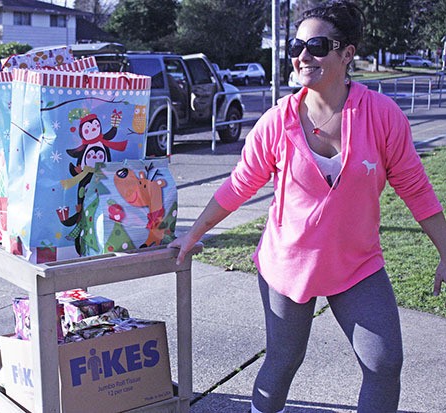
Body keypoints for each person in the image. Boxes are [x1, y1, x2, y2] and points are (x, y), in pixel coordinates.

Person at [169, 1, 446, 412]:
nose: (302, 55)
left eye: (316, 45)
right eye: (297, 46)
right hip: (288, 265)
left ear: (346, 54)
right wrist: (194, 232)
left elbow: (416, 188)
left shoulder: (382, 116)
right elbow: (240, 184)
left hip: (356, 264)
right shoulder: (276, 122)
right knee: (283, 361)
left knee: (384, 362)